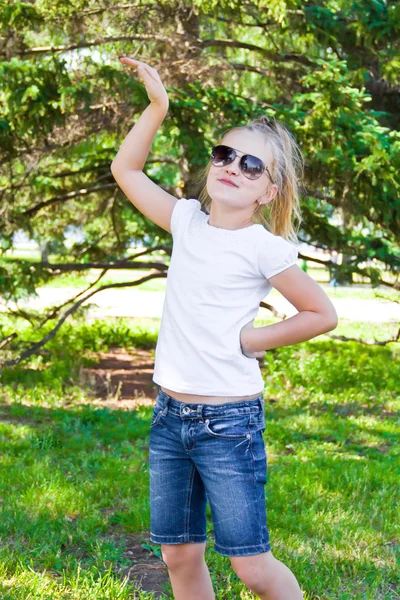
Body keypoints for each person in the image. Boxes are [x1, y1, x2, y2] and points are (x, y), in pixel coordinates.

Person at [111, 57, 338, 600]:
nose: (233, 165)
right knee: (178, 555)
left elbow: (321, 313)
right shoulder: (186, 220)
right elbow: (128, 171)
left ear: (268, 191)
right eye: (224, 154)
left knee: (251, 567)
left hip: (228, 424)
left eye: (252, 165)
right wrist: (157, 107)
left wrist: (253, 340)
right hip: (169, 417)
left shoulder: (263, 246)